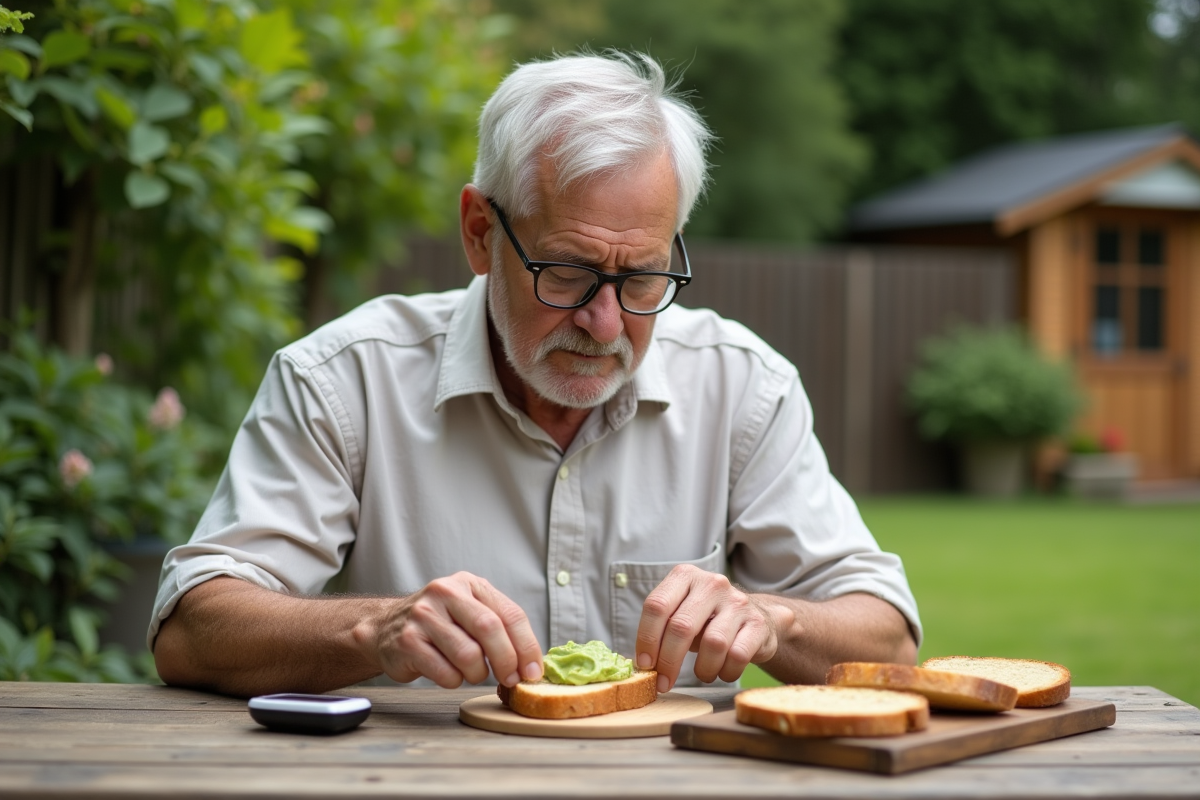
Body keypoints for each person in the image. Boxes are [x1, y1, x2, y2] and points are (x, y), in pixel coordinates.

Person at [151, 51, 920, 698]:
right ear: (481, 234)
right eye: (568, 273)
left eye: (644, 278)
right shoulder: (343, 382)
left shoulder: (745, 389)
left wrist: (771, 619)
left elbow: (887, 639)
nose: (606, 323)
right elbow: (191, 632)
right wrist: (372, 628)